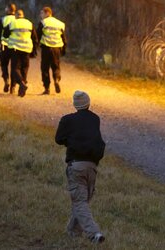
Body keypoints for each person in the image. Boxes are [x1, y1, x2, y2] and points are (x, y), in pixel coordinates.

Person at [55, 90, 106, 244]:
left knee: (79, 202)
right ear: (88, 103)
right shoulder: (95, 119)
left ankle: (94, 234)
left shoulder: (67, 120)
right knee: (83, 201)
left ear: (74, 104)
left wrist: (70, 142)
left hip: (76, 165)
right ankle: (73, 232)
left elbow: (58, 139)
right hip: (92, 167)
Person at [5, 9, 38, 97]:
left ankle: (21, 83)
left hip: (16, 49)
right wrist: (34, 50)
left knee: (15, 68)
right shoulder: (29, 23)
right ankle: (22, 90)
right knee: (24, 68)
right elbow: (35, 38)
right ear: (23, 15)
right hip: (27, 49)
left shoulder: (13, 23)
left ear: (16, 16)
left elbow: (5, 34)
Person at [37, 6, 66, 95]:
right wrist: (64, 49)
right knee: (56, 66)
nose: (40, 15)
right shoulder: (60, 23)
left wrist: (36, 46)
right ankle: (56, 79)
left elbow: (38, 35)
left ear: (47, 13)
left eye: (42, 13)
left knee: (45, 68)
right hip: (57, 48)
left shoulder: (43, 22)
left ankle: (47, 88)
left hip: (46, 48)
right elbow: (63, 37)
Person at [0, 3, 17, 94]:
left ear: (8, 10)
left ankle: (6, 80)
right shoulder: (17, 20)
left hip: (5, 45)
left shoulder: (3, 20)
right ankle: (13, 87)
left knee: (4, 65)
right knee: (14, 67)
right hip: (15, 46)